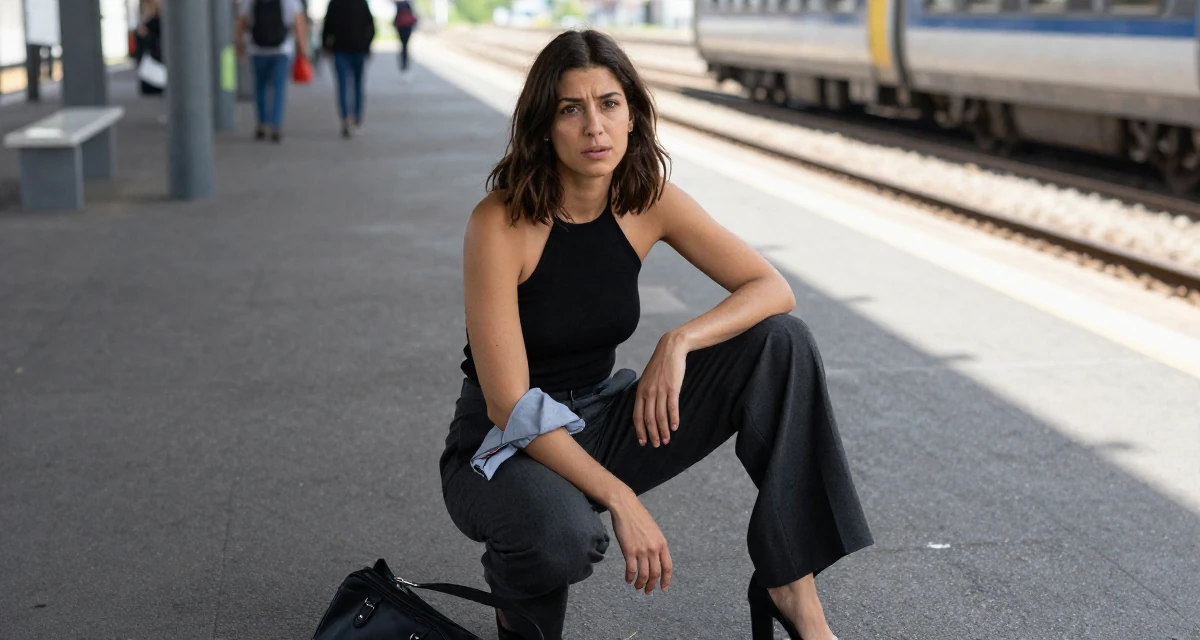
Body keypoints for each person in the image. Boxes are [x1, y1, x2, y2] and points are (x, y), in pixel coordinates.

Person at [439, 30, 873, 640]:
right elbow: (508, 402)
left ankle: (791, 589)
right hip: (500, 446)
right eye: (572, 109)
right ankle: (519, 600)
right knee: (563, 536)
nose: (595, 126)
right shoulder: (500, 223)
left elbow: (770, 287)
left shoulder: (647, 200)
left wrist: (680, 341)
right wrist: (622, 499)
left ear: (634, 117)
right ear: (543, 125)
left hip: (601, 420)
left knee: (782, 343)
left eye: (609, 104)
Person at [235, 0, 309, 143]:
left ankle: (262, 123)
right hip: (281, 49)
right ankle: (276, 125)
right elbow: (298, 23)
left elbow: (241, 23)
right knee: (279, 88)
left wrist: (239, 46)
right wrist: (302, 48)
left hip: (257, 49)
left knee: (260, 87)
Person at [321, 0, 375, 138]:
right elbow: (371, 26)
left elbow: (327, 26)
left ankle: (346, 118)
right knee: (357, 85)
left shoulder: (335, 3)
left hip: (340, 49)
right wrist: (367, 45)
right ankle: (356, 117)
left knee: (343, 85)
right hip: (358, 49)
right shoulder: (361, 3)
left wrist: (325, 46)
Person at [393, 0, 417, 82]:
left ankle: (403, 67)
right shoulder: (407, 4)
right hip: (407, 28)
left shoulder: (399, 5)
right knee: (405, 47)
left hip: (401, 28)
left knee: (403, 47)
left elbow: (396, 18)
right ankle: (405, 67)